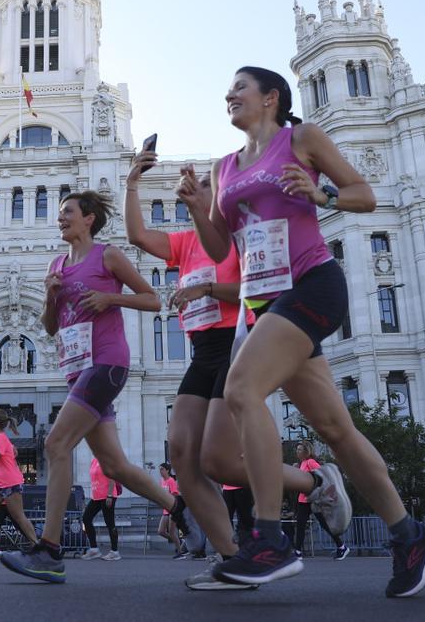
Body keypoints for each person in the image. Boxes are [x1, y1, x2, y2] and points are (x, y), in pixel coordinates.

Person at [180, 66, 425, 597]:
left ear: (270, 97)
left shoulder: (301, 139)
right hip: (265, 300)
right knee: (333, 431)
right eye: (227, 89)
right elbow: (218, 249)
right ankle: (410, 535)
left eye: (239, 88)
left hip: (313, 285)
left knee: (241, 389)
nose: (228, 94)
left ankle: (271, 540)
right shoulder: (224, 166)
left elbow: (364, 195)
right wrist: (194, 206)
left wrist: (320, 197)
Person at [124, 149, 351, 588]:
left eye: (209, 186)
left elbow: (256, 288)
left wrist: (207, 288)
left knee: (222, 461)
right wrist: (133, 181)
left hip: (236, 344)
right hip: (201, 351)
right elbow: (136, 236)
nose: (199, 190)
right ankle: (230, 555)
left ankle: (312, 481)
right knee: (184, 458)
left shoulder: (237, 237)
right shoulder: (186, 243)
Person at [1, 191, 192, 584]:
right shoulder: (57, 265)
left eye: (67, 213)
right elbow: (51, 326)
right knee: (114, 465)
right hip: (76, 368)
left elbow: (152, 299)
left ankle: (50, 550)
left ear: (89, 219)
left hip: (106, 362)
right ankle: (181, 508)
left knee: (56, 445)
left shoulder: (107, 256)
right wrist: (51, 295)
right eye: (59, 214)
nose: (60, 219)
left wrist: (109, 297)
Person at [0, 409, 39, 559]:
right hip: (2, 483)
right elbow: (12, 452)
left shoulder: (0, 438)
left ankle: (38, 546)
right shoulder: (1, 438)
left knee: (19, 517)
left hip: (10, 483)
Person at [292, 442, 349, 560]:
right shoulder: (302, 463)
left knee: (325, 525)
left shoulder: (310, 462)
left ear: (306, 451)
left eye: (299, 450)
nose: (297, 452)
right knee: (300, 525)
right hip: (303, 500)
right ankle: (297, 552)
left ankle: (341, 546)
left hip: (314, 500)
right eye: (297, 449)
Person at [81, 457, 121, 561]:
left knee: (109, 522)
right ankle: (94, 549)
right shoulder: (93, 460)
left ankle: (114, 551)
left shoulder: (106, 458)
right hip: (96, 497)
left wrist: (109, 495)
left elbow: (112, 476)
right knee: (86, 518)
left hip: (107, 495)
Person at [157, 463, 186, 558]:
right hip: (165, 509)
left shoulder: (171, 481)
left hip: (172, 509)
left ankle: (180, 552)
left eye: (162, 469)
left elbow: (175, 495)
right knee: (161, 531)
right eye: (160, 469)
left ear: (167, 470)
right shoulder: (162, 481)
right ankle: (180, 542)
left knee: (172, 532)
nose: (160, 471)